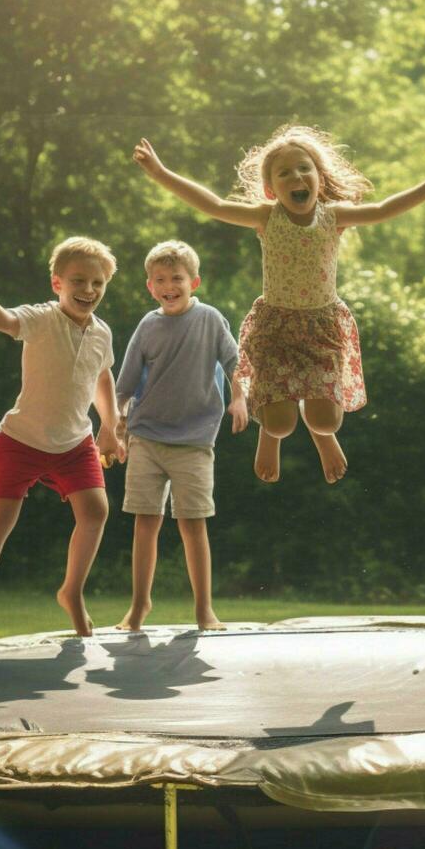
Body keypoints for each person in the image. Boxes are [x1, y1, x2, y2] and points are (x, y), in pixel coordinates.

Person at [133, 127, 425, 484]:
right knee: (280, 423)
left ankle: (323, 437)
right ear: (272, 189)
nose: (297, 177)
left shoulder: (334, 216)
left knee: (326, 420)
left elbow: (382, 209)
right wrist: (161, 173)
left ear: (320, 178)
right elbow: (213, 204)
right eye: (285, 173)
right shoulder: (265, 216)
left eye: (304, 168)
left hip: (322, 328)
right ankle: (268, 435)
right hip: (276, 326)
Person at [0, 237, 124, 642]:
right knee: (2, 516)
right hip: (22, 439)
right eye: (79, 280)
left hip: (75, 443)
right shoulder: (42, 319)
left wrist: (110, 425)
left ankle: (71, 591)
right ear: (57, 283)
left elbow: (102, 376)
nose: (89, 290)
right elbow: (5, 321)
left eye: (98, 283)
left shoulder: (102, 334)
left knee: (95, 512)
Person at [113, 241, 248, 632]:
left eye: (177, 278)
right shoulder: (147, 325)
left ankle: (204, 610)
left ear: (194, 282)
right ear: (150, 287)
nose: (169, 285)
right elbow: (123, 386)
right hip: (147, 438)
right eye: (160, 280)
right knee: (145, 521)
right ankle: (139, 606)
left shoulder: (209, 319)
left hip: (194, 441)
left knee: (193, 524)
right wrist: (117, 428)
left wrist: (239, 398)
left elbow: (236, 363)